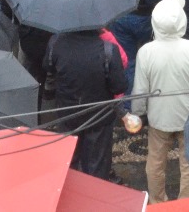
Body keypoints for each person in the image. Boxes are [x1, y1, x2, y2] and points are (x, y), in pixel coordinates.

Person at [131, 0, 189, 203]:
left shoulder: (146, 52)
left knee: (155, 164)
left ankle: (158, 202)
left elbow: (140, 90)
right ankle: (186, 204)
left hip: (158, 118)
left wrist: (138, 114)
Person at [46, 25, 130, 179]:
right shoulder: (108, 50)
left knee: (69, 161)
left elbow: (48, 68)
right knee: (96, 167)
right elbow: (119, 86)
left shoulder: (55, 43)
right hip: (100, 117)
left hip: (67, 112)